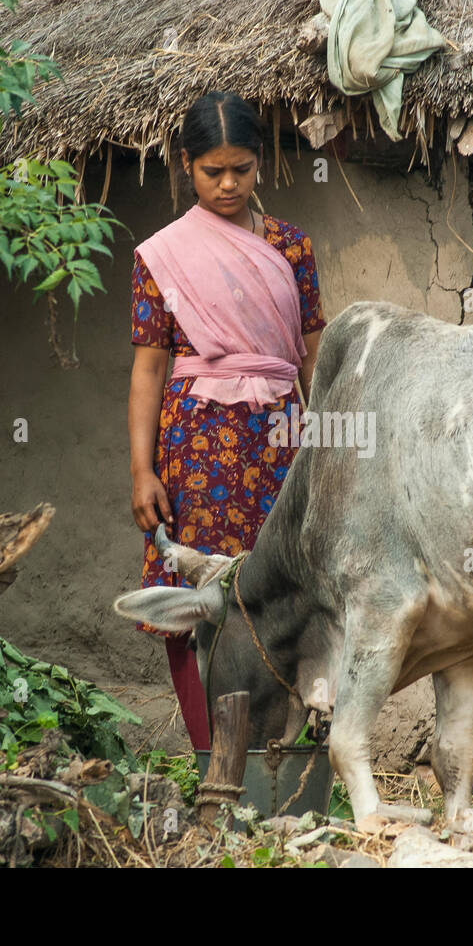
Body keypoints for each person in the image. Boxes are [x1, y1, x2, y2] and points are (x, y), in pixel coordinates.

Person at [127, 91, 326, 751]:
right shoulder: (162, 255)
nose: (228, 183)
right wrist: (142, 469)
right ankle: (210, 752)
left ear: (260, 163)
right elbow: (150, 369)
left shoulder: (293, 248)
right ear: (188, 166)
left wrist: (327, 449)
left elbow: (314, 360)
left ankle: (281, 751)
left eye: (241, 168)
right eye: (213, 171)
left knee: (284, 593)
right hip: (196, 451)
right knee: (195, 598)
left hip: (280, 446)